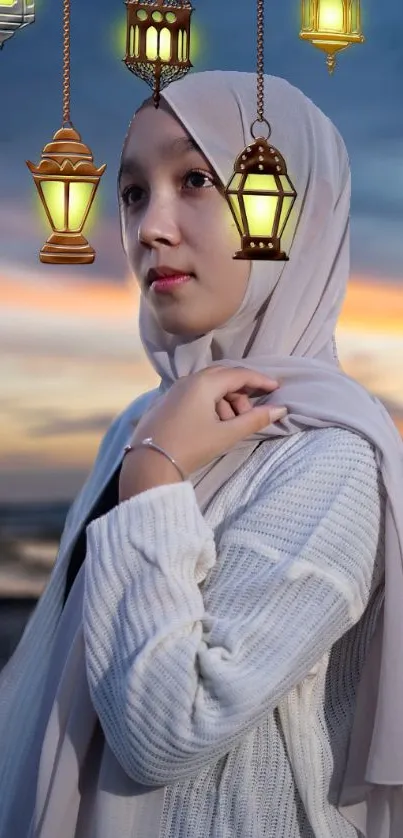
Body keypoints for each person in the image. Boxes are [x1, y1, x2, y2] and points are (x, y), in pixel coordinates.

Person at [0, 70, 402, 838]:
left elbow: (167, 731)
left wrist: (153, 477)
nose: (151, 227)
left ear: (297, 211)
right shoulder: (142, 422)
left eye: (194, 179)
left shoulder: (332, 460)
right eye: (131, 194)